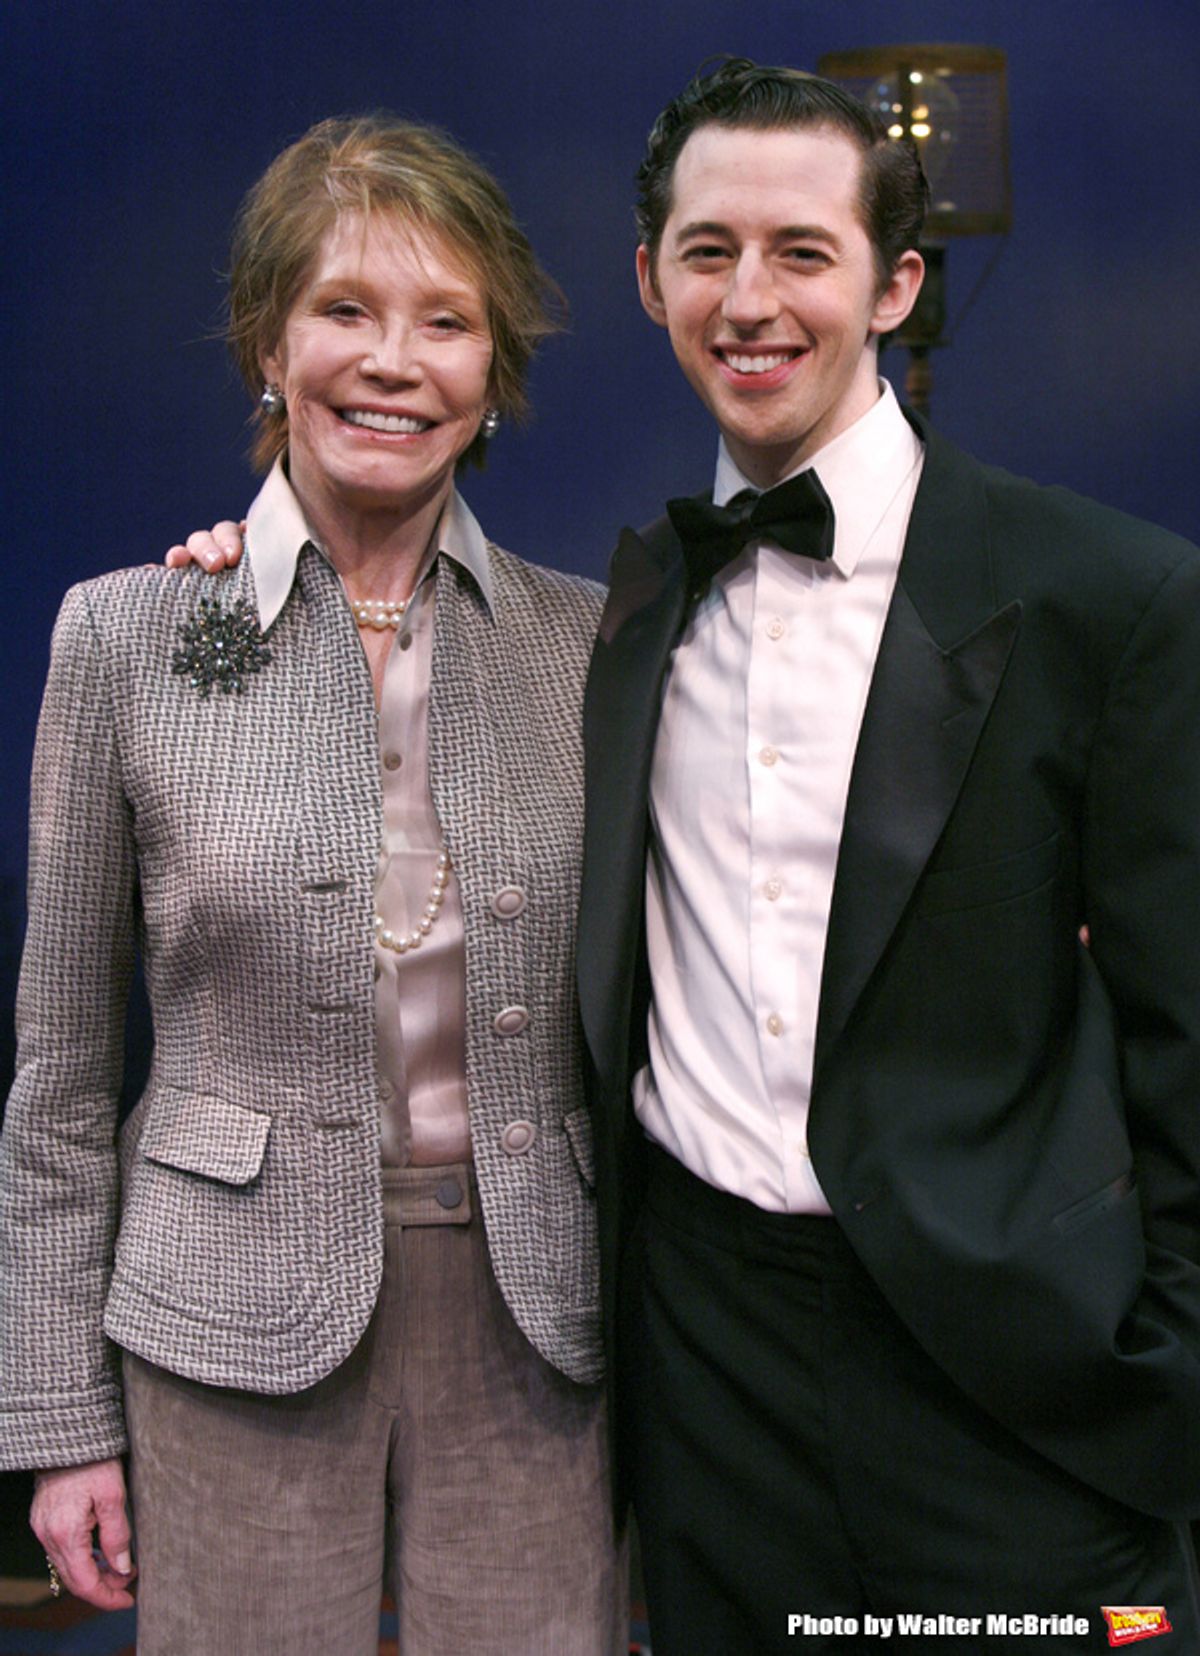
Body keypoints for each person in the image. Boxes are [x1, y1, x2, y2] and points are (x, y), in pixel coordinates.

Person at [574, 59, 1200, 1654]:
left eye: (803, 250)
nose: (751, 298)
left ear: (895, 283)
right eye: (708, 251)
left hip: (1024, 1383)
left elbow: (1183, 1028)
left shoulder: (1109, 597)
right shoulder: (630, 605)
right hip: (708, 1377)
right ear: (650, 281)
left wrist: (1165, 1363)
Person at [0, 114, 626, 1655]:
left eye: (447, 322)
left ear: (493, 382)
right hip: (222, 1324)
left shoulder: (595, 643)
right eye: (346, 310)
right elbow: (63, 1082)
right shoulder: (129, 634)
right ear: (268, 347)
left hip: (542, 1328)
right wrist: (55, 1418)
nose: (393, 361)